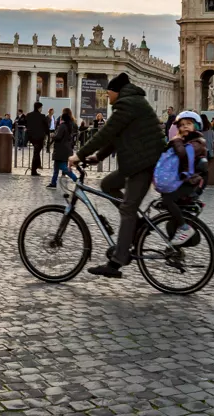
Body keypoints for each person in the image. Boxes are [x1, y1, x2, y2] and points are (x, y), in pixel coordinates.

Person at [68, 72, 168, 279]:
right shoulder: (132, 102)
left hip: (143, 163)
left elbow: (106, 133)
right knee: (107, 184)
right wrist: (99, 157)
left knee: (127, 209)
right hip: (136, 161)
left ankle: (117, 261)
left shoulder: (127, 104)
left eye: (108, 93)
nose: (107, 96)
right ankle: (139, 226)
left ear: (116, 91)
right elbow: (117, 136)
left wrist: (80, 154)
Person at [161, 111, 209, 245]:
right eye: (182, 125)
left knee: (168, 200)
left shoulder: (198, 143)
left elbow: (183, 154)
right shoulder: (185, 141)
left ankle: (185, 228)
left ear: (196, 126)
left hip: (192, 182)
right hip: (184, 179)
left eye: (188, 124)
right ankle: (175, 242)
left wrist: (175, 140)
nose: (185, 127)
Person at [48, 108, 77, 188]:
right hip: (65, 148)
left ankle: (75, 178)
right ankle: (53, 183)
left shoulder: (63, 126)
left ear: (62, 119)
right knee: (56, 167)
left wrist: (53, 136)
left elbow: (58, 136)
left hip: (61, 149)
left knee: (62, 167)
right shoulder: (69, 125)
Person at [25, 102, 49, 176]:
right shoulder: (42, 116)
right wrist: (48, 134)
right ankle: (34, 170)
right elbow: (46, 127)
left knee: (36, 152)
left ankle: (37, 165)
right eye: (41, 108)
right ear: (39, 108)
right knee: (36, 153)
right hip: (39, 137)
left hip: (31, 137)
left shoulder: (29, 115)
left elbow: (26, 124)